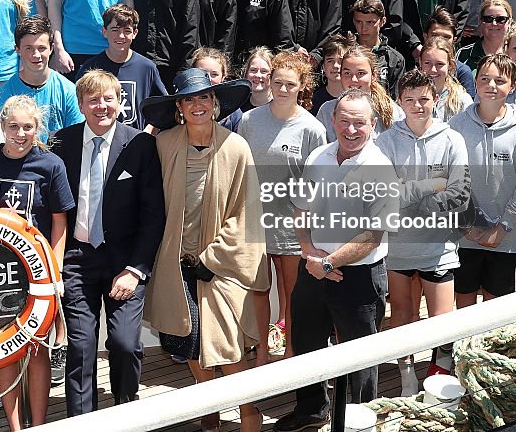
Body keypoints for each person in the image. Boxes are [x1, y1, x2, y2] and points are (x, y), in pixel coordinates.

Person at [141, 68, 265, 432]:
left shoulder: (236, 146)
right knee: (189, 340)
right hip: (174, 262)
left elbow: (248, 212)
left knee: (227, 346)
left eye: (204, 98)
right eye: (190, 98)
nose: (198, 105)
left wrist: (214, 257)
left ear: (215, 103)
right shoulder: (163, 145)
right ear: (179, 106)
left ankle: (248, 413)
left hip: (220, 264)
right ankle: (208, 409)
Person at [275, 89, 399, 432]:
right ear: (333, 121)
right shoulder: (318, 157)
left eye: (359, 122)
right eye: (344, 121)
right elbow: (301, 208)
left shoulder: (380, 169)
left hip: (358, 277)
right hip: (313, 268)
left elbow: (373, 236)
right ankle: (312, 411)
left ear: (372, 125)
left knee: (360, 357)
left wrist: (328, 263)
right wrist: (309, 251)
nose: (351, 129)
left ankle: (363, 420)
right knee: (306, 343)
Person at [51, 70, 165, 415]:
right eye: (93, 100)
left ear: (120, 101)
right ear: (81, 105)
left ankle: (126, 415)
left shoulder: (140, 144)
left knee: (125, 344)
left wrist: (135, 270)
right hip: (78, 259)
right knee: (81, 348)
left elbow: (153, 214)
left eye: (108, 99)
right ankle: (80, 422)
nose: (102, 106)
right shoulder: (61, 142)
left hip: (125, 262)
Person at [0, 95, 74, 428]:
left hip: (38, 272)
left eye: (28, 127)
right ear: (1, 125)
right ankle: (15, 427)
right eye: (13, 126)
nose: (20, 133)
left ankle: (38, 424)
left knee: (37, 349)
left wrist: (55, 271)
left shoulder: (51, 164)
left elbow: (59, 222)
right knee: (4, 349)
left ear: (37, 128)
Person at [376, 70, 469, 394]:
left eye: (424, 99)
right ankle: (406, 377)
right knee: (401, 312)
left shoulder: (452, 140)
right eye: (410, 100)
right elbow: (385, 194)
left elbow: (460, 193)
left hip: (439, 248)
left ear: (436, 99)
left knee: (443, 319)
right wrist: (432, 185)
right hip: (398, 249)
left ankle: (440, 379)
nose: (418, 106)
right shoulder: (385, 142)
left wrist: (412, 195)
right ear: (399, 102)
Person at [239, 51, 326, 366]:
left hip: (293, 226)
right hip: (255, 222)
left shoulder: (312, 128)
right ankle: (261, 353)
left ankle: (290, 354)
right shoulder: (249, 121)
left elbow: (317, 183)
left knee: (292, 295)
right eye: (278, 82)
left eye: (291, 84)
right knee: (259, 291)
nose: (284, 89)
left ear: (302, 85)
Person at [450, 54, 516, 309]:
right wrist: (466, 226)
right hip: (463, 235)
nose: (491, 85)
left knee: (495, 306)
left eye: (500, 81)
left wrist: (502, 228)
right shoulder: (456, 125)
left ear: (513, 86)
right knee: (463, 301)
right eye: (485, 79)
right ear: (475, 83)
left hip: (505, 239)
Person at [77, 4, 167, 131]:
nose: (121, 36)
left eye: (127, 31)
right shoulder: (90, 68)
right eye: (115, 30)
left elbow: (163, 107)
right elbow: (78, 107)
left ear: (135, 33)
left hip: (136, 142)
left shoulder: (147, 68)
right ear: (104, 31)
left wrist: (149, 130)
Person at [0, 17, 84, 140]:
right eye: (29, 48)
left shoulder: (68, 91)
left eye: (41, 48)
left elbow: (76, 135)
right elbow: (1, 138)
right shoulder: (5, 93)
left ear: (51, 48)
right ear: (18, 50)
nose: (36, 55)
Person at [315, 45, 403, 139]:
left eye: (360, 73)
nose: (354, 79)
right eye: (347, 73)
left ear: (374, 75)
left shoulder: (392, 111)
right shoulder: (327, 111)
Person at [351, 0, 405, 98]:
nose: (363, 28)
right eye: (359, 22)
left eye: (370, 22)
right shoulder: (345, 53)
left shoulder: (394, 59)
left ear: (382, 21)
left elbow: (397, 97)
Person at [425, 7, 477, 97]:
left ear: (454, 40)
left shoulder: (462, 72)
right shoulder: (415, 70)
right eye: (435, 35)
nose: (440, 40)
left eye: (446, 37)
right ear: (425, 37)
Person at [419, 36, 473, 121]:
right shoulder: (409, 97)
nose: (433, 69)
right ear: (420, 62)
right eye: (427, 63)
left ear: (450, 65)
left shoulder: (462, 100)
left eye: (440, 64)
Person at [191, 47, 244, 132]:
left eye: (214, 74)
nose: (208, 78)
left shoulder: (233, 111)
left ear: (223, 77)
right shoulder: (183, 105)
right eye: (203, 73)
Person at [457, 0, 512, 70]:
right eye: (488, 19)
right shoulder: (464, 54)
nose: (494, 23)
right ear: (480, 21)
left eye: (501, 19)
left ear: (510, 22)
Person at [309, 33, 355, 115]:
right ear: (323, 66)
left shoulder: (357, 98)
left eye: (340, 61)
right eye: (330, 61)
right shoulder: (312, 100)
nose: (335, 66)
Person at [241, 46, 274, 113]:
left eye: (264, 71)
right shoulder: (238, 106)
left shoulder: (279, 107)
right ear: (246, 73)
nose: (258, 75)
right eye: (253, 70)